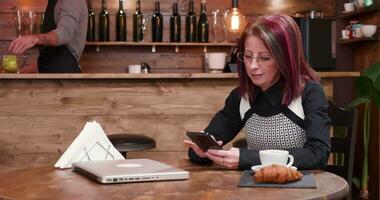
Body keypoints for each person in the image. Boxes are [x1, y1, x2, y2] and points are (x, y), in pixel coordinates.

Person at [184, 15, 330, 170]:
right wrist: (202, 151)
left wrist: (247, 158)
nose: (252, 65)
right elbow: (208, 141)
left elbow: (318, 154)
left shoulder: (309, 93)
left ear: (286, 58)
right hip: (254, 189)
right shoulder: (241, 97)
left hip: (301, 188)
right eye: (247, 56)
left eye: (265, 58)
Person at [8, 0, 87, 73]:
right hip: (52, 73)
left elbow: (64, 34)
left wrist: (34, 38)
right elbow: (52, 55)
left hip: (64, 78)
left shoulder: (72, 1)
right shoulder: (54, 2)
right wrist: (37, 67)